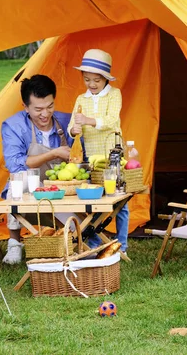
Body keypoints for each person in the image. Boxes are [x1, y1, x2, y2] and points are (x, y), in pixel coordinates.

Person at [1, 75, 73, 264]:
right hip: (30, 185)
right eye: (38, 109)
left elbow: (81, 158)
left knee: (78, 228)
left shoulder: (67, 122)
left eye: (50, 107)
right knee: (19, 179)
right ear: (26, 107)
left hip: (60, 186)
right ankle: (14, 243)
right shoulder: (13, 126)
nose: (45, 114)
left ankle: (72, 236)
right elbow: (14, 164)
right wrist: (53, 153)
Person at [67, 48, 129, 255]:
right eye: (87, 80)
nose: (92, 84)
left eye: (97, 80)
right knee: (91, 201)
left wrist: (88, 121)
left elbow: (111, 121)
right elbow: (72, 125)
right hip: (91, 157)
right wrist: (74, 129)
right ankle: (94, 241)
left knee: (119, 201)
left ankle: (122, 244)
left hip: (113, 156)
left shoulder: (114, 94)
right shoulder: (81, 99)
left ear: (105, 79)